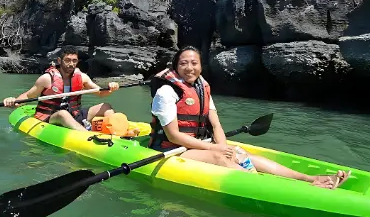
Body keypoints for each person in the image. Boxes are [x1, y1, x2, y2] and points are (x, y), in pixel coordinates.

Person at [148, 46, 349, 189]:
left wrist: (226, 148)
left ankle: (309, 178)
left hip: (198, 145)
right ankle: (287, 188)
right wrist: (216, 149)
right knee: (219, 157)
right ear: (175, 67)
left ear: (201, 66)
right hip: (173, 150)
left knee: (239, 153)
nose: (189, 68)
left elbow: (216, 125)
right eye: (184, 63)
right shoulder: (167, 92)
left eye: (194, 63)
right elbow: (173, 136)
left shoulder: (201, 89)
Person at [3, 46, 120, 132]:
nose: (71, 64)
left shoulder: (82, 77)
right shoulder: (47, 79)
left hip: (75, 114)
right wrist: (14, 101)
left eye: (74, 61)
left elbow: (100, 93)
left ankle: (116, 133)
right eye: (67, 60)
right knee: (63, 114)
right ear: (59, 61)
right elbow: (28, 96)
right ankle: (86, 135)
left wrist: (110, 88)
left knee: (106, 106)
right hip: (52, 117)